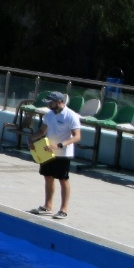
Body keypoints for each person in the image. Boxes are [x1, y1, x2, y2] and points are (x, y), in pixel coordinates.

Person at [31, 91, 82, 219]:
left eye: (51, 102)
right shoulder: (49, 114)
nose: (48, 105)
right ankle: (47, 206)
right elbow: (42, 130)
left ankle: (64, 209)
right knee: (48, 176)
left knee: (63, 179)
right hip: (48, 151)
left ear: (59, 102)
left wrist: (60, 145)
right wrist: (31, 139)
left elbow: (77, 137)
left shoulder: (71, 116)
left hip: (63, 153)